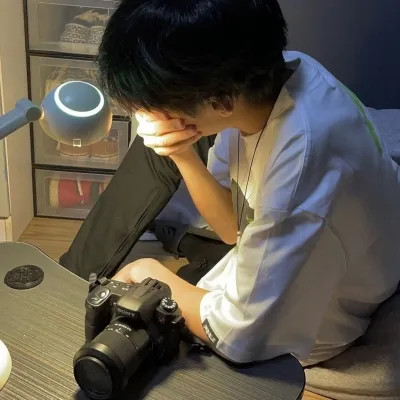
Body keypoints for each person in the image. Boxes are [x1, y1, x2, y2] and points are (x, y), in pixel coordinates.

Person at [97, 0, 400, 367]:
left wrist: (147, 272)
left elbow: (236, 335)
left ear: (222, 100)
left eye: (154, 105)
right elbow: (231, 228)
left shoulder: (298, 168)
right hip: (342, 243)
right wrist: (183, 155)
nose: (146, 115)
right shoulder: (277, 75)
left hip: (341, 304)